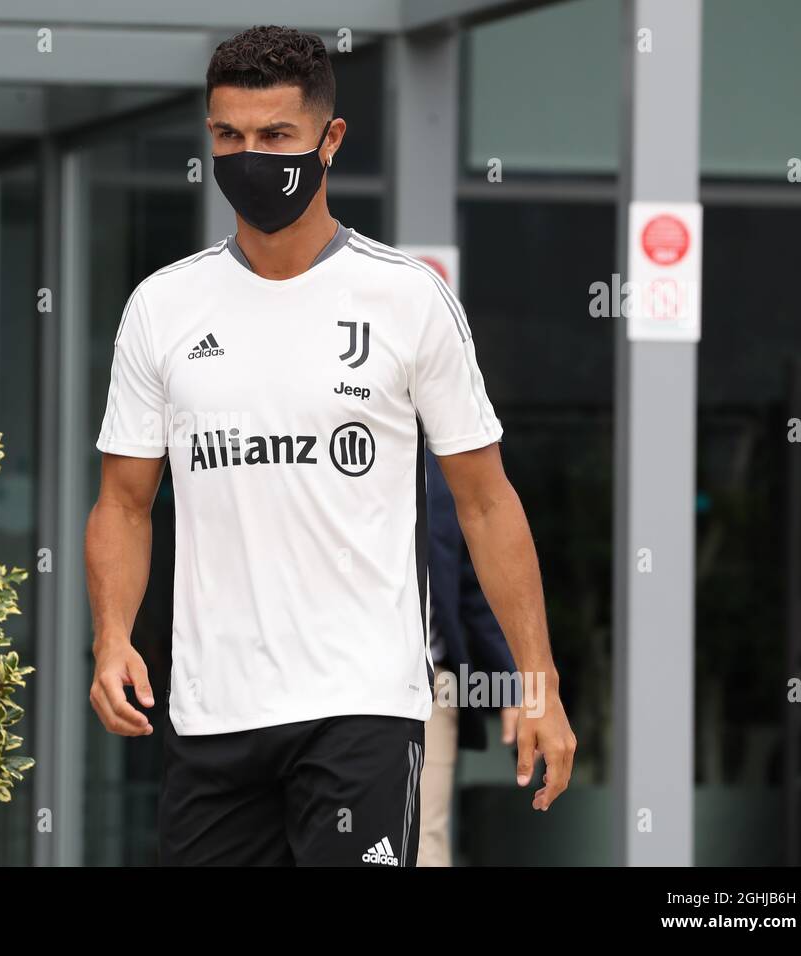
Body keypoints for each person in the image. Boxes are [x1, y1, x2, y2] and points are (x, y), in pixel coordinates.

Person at [84, 24, 575, 867]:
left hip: (363, 706)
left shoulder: (407, 299)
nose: (250, 157)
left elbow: (487, 501)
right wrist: (110, 637)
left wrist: (538, 681)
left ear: (329, 140)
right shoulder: (162, 308)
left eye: (276, 136)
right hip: (211, 716)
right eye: (228, 137)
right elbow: (124, 503)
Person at [419, 452, 521, 867]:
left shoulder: (445, 473)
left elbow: (476, 591)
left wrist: (514, 689)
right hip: (323, 678)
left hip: (429, 685)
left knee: (422, 837)